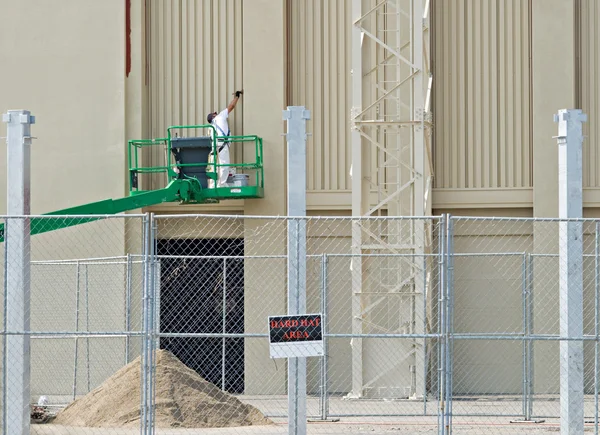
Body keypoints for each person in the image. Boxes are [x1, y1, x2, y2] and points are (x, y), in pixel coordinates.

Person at [206, 90, 243, 187]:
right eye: (215, 113)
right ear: (213, 116)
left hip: (214, 147)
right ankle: (221, 185)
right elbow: (231, 106)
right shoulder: (219, 117)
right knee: (224, 165)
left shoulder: (210, 127)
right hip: (222, 145)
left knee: (214, 167)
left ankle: (213, 185)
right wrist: (237, 97)